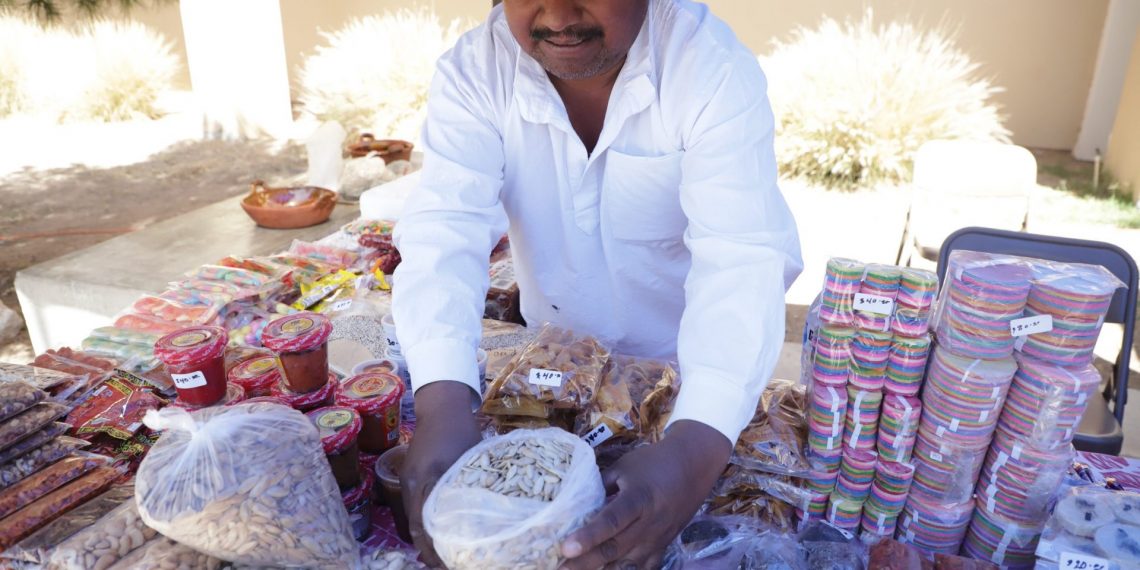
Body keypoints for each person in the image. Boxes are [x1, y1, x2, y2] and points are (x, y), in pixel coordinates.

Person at [391, 0, 803, 567]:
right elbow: (444, 230)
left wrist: (694, 448)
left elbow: (744, 258)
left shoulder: (707, 67)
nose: (559, 16)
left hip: (693, 389)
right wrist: (442, 402)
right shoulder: (476, 69)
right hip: (552, 379)